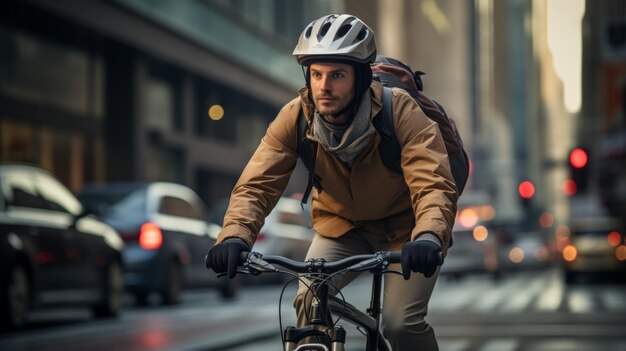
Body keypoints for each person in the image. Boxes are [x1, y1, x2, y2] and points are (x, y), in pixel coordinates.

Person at [206, 14, 457, 351]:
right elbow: (256, 185)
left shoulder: (399, 112)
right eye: (316, 74)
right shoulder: (295, 117)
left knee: (401, 323)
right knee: (309, 302)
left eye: (337, 75)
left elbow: (433, 184)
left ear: (361, 77)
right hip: (342, 226)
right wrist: (235, 234)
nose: (324, 87)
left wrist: (428, 236)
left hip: (407, 232)